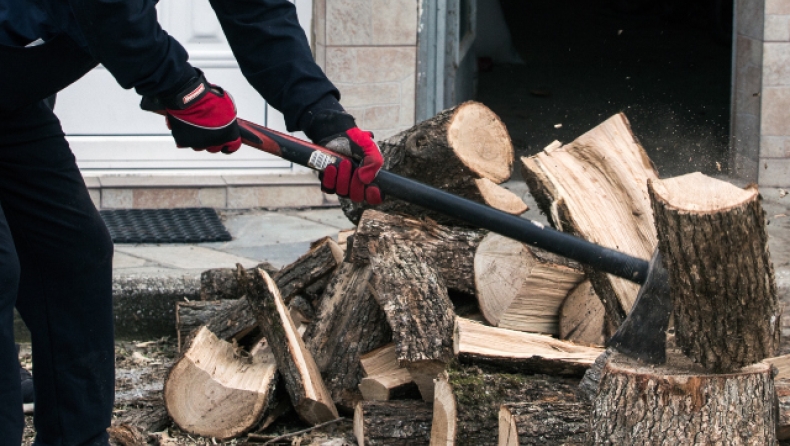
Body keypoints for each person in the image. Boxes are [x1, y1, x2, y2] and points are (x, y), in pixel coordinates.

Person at [0, 0, 383, 444]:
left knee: (71, 259)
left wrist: (324, 118)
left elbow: (257, 12)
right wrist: (180, 89)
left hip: (13, 99)